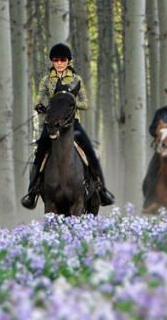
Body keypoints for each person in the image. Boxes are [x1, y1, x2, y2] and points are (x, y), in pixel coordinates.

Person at [21, 43, 115, 209]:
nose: (59, 63)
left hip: (72, 124)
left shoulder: (76, 80)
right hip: (51, 123)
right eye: (56, 60)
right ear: (52, 61)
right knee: (40, 152)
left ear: (68, 61)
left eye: (62, 60)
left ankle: (101, 189)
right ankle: (32, 191)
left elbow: (85, 103)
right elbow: (39, 98)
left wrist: (71, 102)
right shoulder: (46, 80)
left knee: (90, 151)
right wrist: (41, 106)